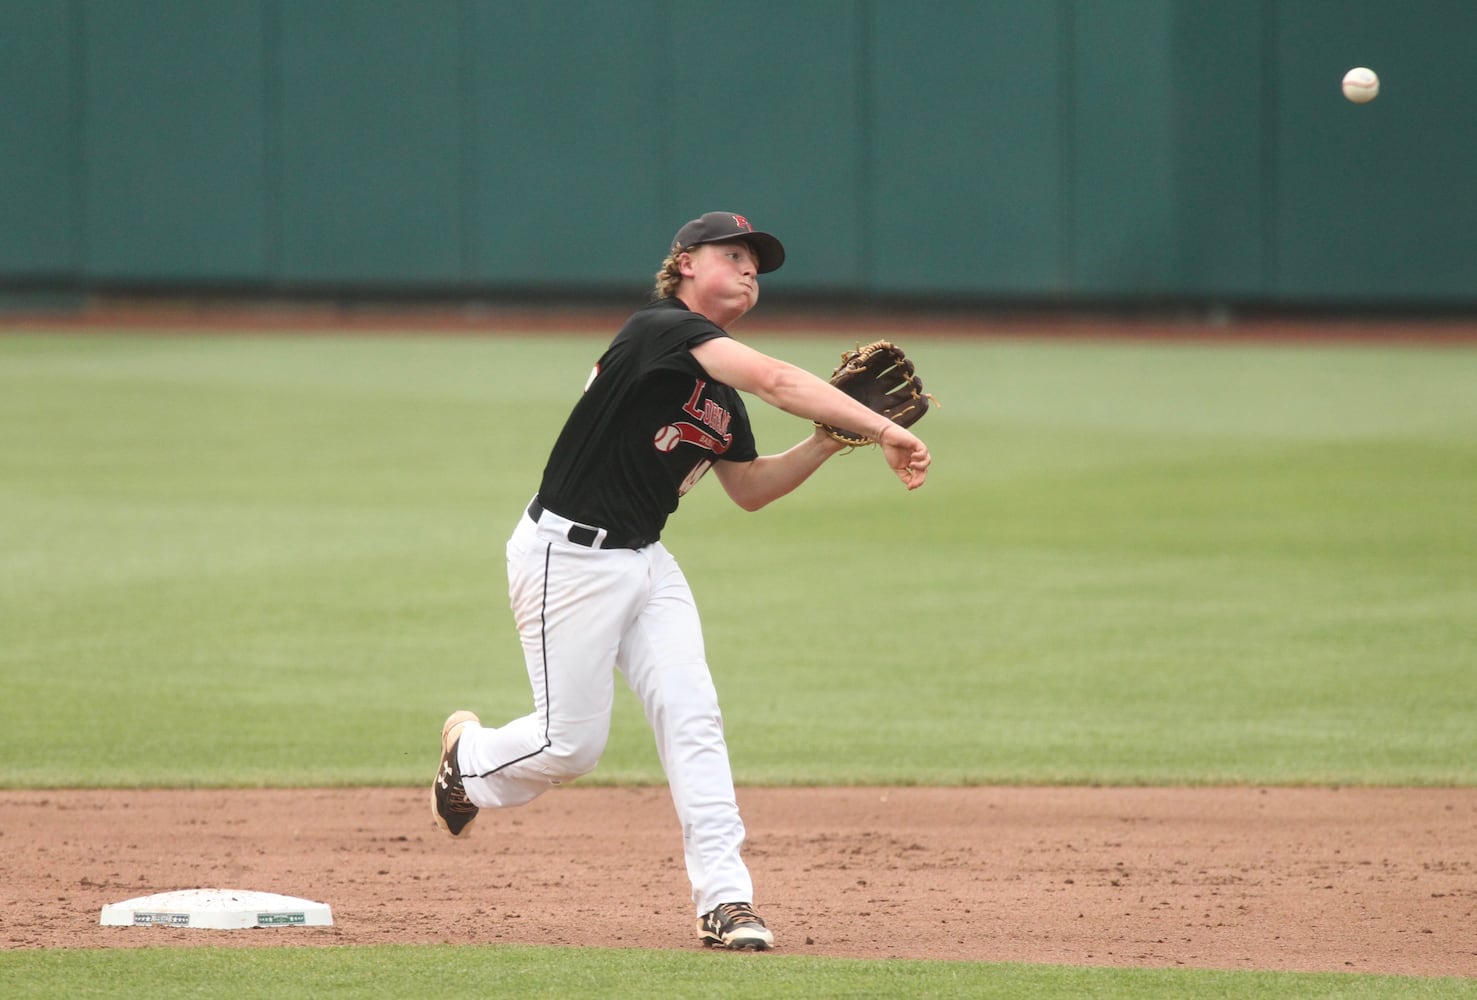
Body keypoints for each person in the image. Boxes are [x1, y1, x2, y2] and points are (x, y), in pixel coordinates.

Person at [432, 211, 931, 951]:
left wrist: (829, 440)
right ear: (686, 264)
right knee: (570, 748)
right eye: (731, 255)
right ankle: (467, 762)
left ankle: (725, 902)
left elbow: (751, 488)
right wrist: (884, 427)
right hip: (564, 557)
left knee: (693, 715)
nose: (748, 270)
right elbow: (777, 378)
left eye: (755, 263)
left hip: (645, 562)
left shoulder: (720, 396)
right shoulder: (658, 329)